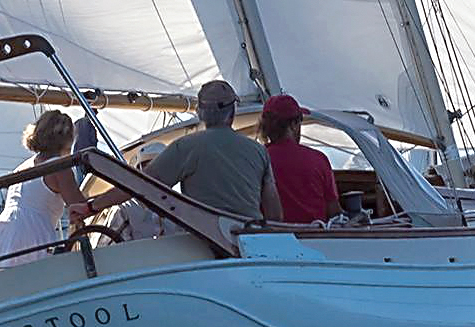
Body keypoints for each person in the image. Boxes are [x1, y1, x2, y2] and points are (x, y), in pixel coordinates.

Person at [141, 80, 281, 222]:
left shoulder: (185, 146)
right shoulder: (258, 151)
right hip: (250, 235)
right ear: (232, 112)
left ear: (200, 114)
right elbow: (274, 216)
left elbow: (142, 185)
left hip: (203, 237)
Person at [0, 110, 92, 273]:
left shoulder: (23, 167)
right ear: (68, 139)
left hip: (4, 232)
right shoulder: (59, 168)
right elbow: (81, 206)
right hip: (32, 235)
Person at [259, 94, 340, 224]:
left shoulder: (258, 159)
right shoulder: (318, 160)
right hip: (314, 239)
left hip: (273, 238)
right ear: (294, 124)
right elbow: (334, 213)